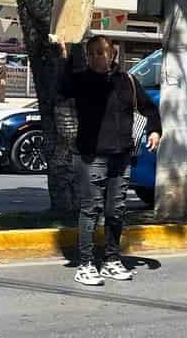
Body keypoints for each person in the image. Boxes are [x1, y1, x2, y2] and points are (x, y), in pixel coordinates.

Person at [56, 34, 161, 286]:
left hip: (121, 156)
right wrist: (66, 57)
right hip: (92, 156)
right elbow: (62, 88)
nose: (95, 57)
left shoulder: (128, 81)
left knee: (116, 211)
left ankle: (112, 260)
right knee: (90, 210)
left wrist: (155, 130)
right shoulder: (81, 80)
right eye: (91, 53)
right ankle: (85, 264)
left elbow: (149, 108)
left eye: (100, 52)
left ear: (112, 54)